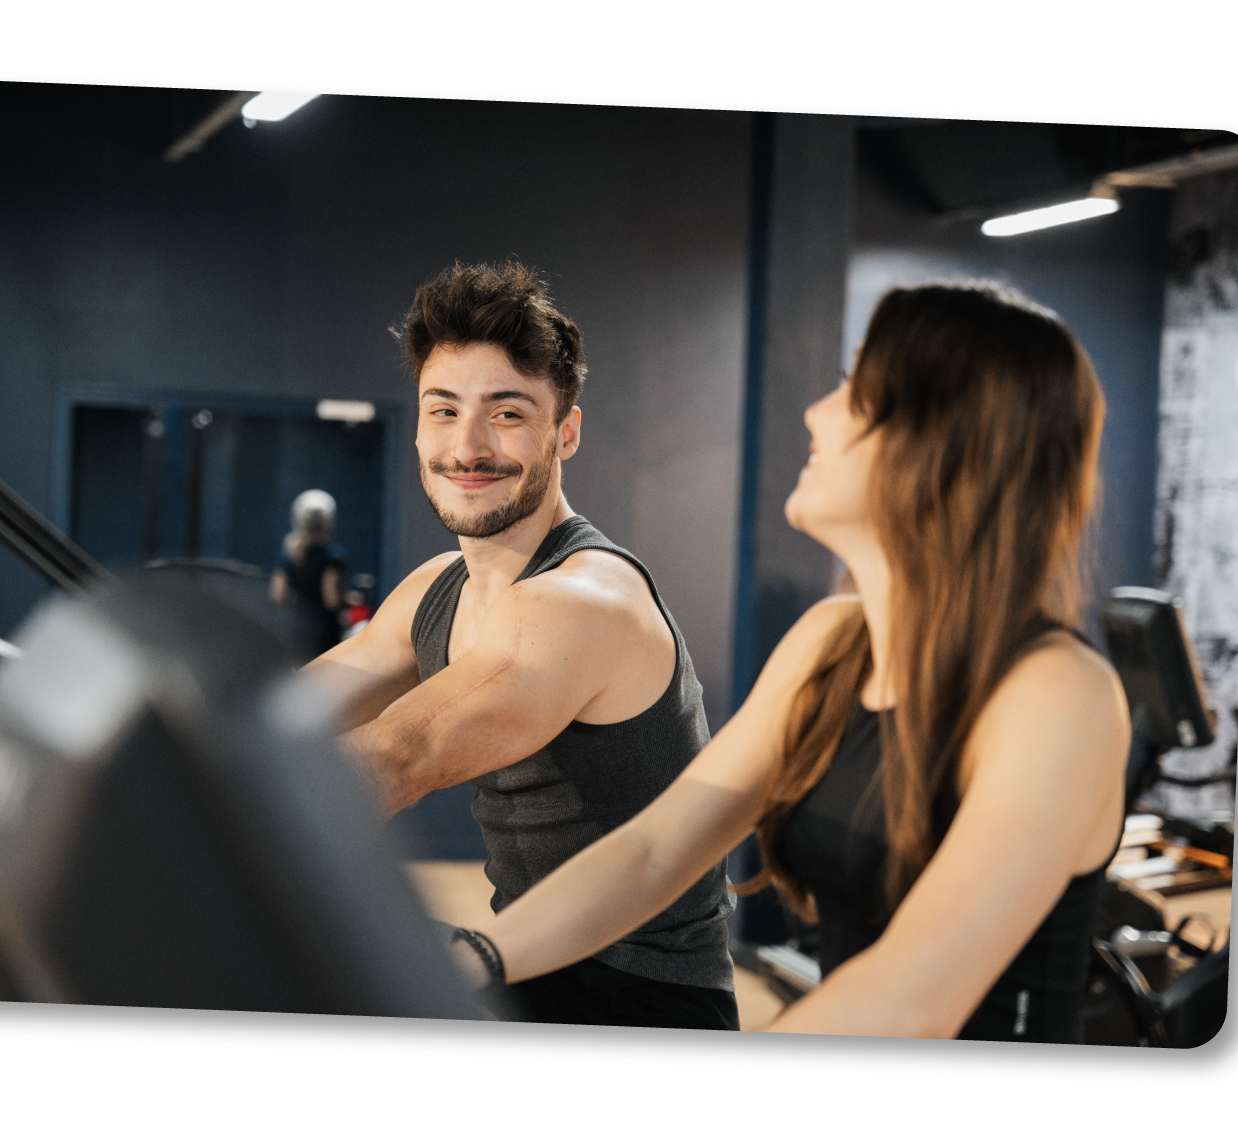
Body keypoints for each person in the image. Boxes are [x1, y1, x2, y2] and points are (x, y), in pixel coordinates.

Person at [443, 280, 1131, 1043]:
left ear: (938, 437)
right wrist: (478, 955)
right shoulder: (830, 647)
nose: (815, 413)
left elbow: (911, 998)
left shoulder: (1056, 694)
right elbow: (651, 852)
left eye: (852, 390)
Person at [305, 261, 737, 1030]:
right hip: (525, 967)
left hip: (636, 1006)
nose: (466, 446)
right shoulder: (437, 587)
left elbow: (397, 757)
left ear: (563, 432)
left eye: (505, 414)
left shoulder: (581, 601)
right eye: (442, 411)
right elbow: (287, 712)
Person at [270, 489, 347, 659]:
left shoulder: (288, 557)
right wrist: (349, 601)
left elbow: (278, 595)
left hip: (295, 634)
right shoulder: (331, 558)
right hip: (324, 637)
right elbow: (332, 600)